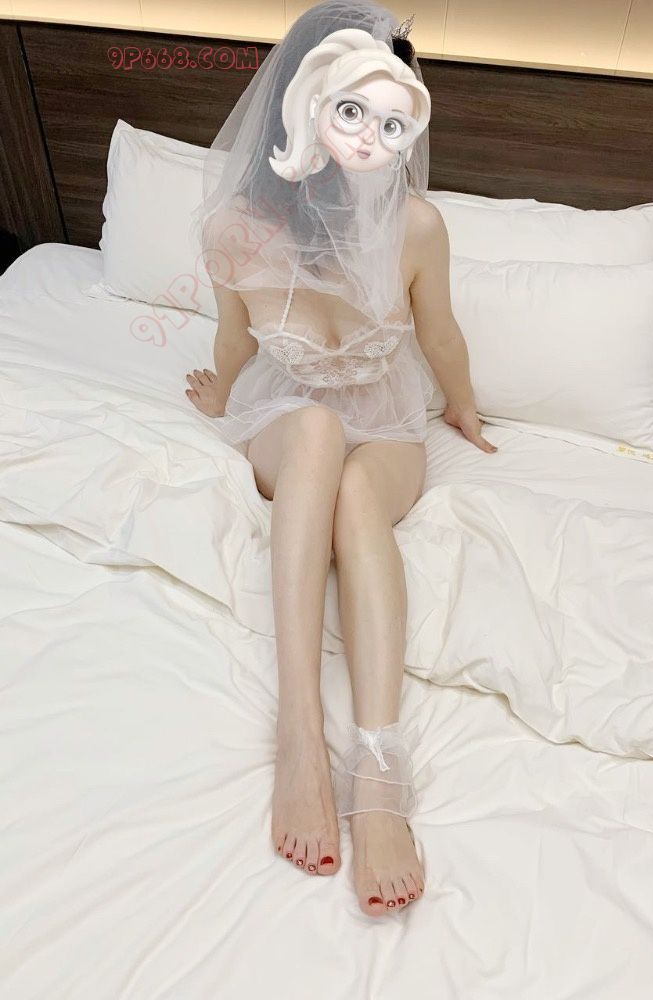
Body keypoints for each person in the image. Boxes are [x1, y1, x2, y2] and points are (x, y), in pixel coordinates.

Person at [185, 0, 497, 918]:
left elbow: (440, 338)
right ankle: (299, 736)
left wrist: (463, 406)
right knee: (317, 430)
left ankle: (380, 768)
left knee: (359, 497)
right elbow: (235, 337)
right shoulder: (234, 227)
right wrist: (222, 389)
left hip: (387, 423)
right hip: (290, 416)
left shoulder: (416, 226)